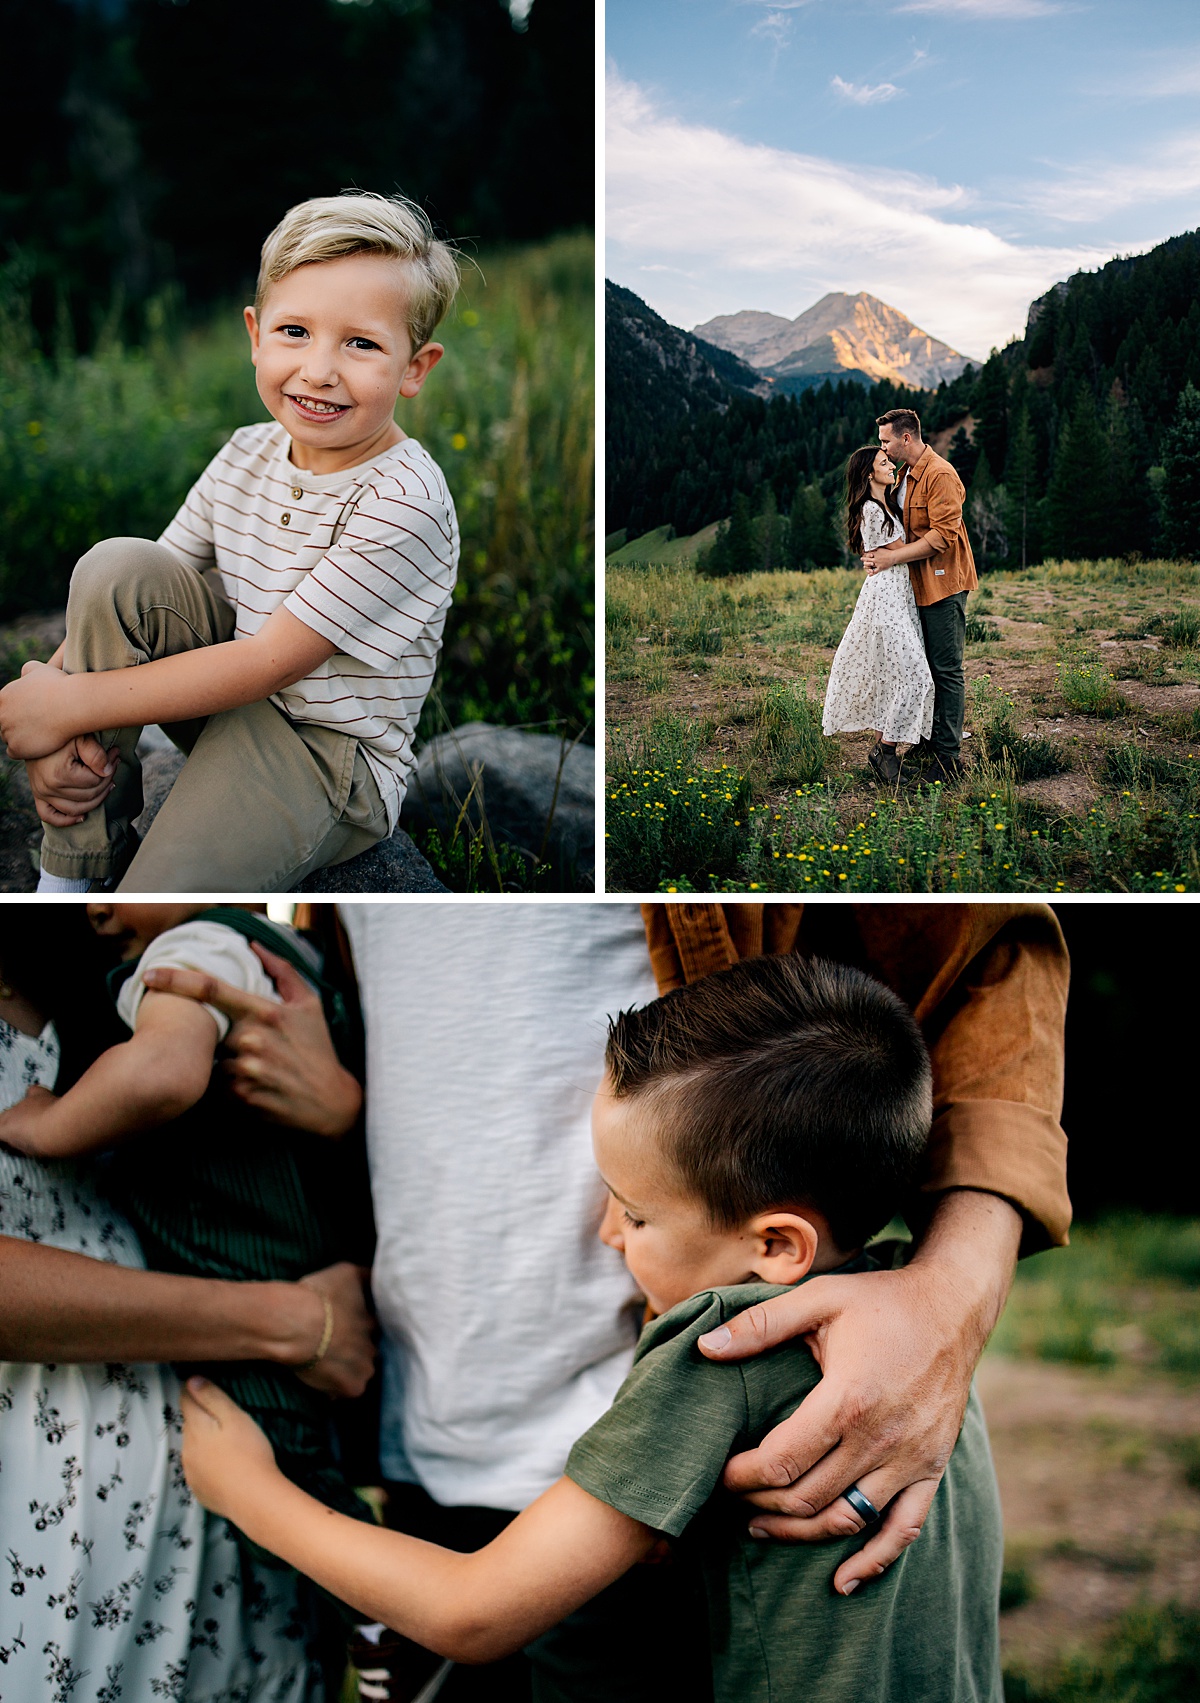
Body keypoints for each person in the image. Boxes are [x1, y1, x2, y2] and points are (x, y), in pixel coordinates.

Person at [151, 901, 1069, 1703]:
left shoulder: (721, 1355)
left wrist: (248, 1489)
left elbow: (474, 1610)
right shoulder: (905, 1318)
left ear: (776, 1246)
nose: (607, 1234)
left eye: (632, 1212)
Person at [0, 190, 460, 893]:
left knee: (160, 890)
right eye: (294, 332)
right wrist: (51, 699)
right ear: (254, 333)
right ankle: (70, 869)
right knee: (118, 564)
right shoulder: (248, 450)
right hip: (231, 701)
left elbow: (271, 661)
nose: (318, 369)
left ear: (414, 368)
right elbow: (135, 596)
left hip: (325, 754)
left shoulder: (404, 502)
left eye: (361, 343)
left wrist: (69, 707)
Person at [0, 907, 376, 1700]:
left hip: (210, 1526)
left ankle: (384, 1619)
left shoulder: (186, 954)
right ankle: (386, 1617)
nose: (101, 904)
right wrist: (288, 1322)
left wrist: (48, 1125)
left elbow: (167, 1075)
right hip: (56, 1553)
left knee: (307, 1481)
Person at [864, 408, 978, 782]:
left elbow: (942, 537)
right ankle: (929, 740)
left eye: (886, 441)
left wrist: (892, 556)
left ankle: (948, 760)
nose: (883, 447)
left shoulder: (940, 474)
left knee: (946, 670)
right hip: (914, 586)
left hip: (944, 584)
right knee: (923, 666)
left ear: (906, 438)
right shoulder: (907, 476)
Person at [822, 445, 934, 786]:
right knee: (917, 676)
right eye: (884, 463)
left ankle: (886, 753)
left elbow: (892, 551)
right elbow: (902, 551)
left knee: (899, 673)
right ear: (869, 474)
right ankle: (884, 751)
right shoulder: (871, 509)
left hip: (899, 596)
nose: (892, 466)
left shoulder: (888, 502)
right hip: (885, 599)